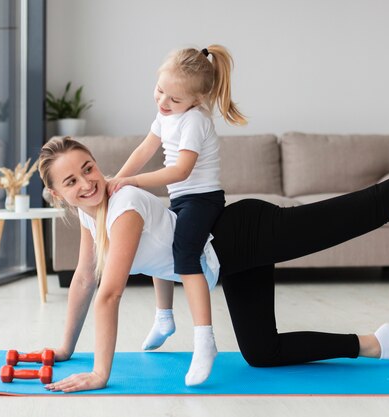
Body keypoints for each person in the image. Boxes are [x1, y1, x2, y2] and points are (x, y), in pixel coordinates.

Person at [37, 133, 389, 393]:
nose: (88, 182)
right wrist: (65, 349)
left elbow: (108, 293)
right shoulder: (92, 215)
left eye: (88, 168)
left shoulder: (124, 204)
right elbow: (85, 279)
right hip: (228, 262)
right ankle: (375, 344)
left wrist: (100, 372)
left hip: (242, 233)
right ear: (59, 196)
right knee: (263, 354)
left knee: (374, 204)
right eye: (72, 181)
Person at [106, 45, 247, 385]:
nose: (163, 102)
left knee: (185, 256)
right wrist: (117, 181)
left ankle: (205, 342)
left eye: (174, 100)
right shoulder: (165, 114)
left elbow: (181, 171)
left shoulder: (195, 120)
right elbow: (145, 150)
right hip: (183, 200)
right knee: (159, 245)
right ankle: (164, 317)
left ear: (197, 100)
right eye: (160, 91)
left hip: (203, 199)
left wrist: (132, 182)